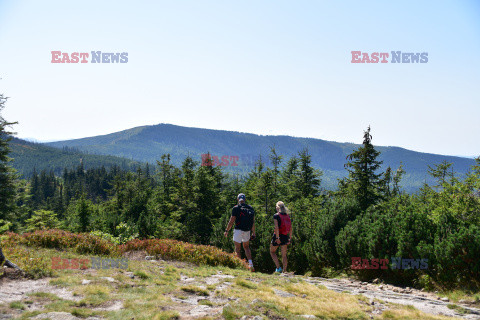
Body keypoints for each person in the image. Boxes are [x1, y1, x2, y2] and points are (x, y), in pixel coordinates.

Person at [224, 193, 256, 271]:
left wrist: (226, 230)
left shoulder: (236, 208)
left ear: (238, 199)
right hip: (247, 230)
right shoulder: (250, 208)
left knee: (237, 248)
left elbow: (231, 221)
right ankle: (251, 264)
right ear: (244, 200)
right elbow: (253, 222)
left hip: (238, 230)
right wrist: (253, 233)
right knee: (246, 247)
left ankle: (239, 265)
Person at [270, 201, 292, 273]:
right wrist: (290, 238)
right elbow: (291, 228)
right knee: (284, 255)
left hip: (278, 236)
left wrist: (277, 238)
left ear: (277, 207)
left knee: (272, 252)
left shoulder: (276, 215)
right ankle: (284, 270)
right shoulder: (287, 216)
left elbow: (276, 228)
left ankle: (278, 268)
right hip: (285, 236)